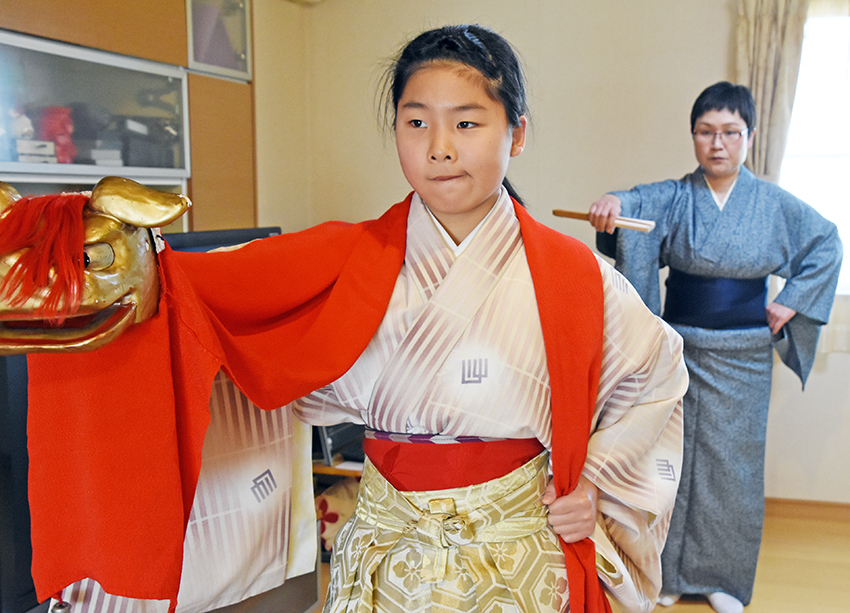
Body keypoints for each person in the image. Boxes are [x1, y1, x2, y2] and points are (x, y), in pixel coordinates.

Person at [21, 25, 687, 613]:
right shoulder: (344, 256)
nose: (439, 147)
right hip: (384, 552)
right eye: (416, 121)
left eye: (467, 122)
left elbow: (656, 375)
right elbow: (207, 291)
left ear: (517, 131)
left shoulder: (575, 275)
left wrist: (594, 481)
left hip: (516, 555)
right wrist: (111, 256)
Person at [588, 81, 842, 613]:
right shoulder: (677, 196)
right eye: (706, 132)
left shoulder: (772, 204)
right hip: (680, 349)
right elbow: (631, 206)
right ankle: (672, 570)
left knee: (734, 468)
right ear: (694, 137)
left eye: (730, 132)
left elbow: (826, 241)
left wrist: (792, 299)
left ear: (749, 136)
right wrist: (613, 205)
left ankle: (724, 578)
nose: (717, 143)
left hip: (744, 355)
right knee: (670, 464)